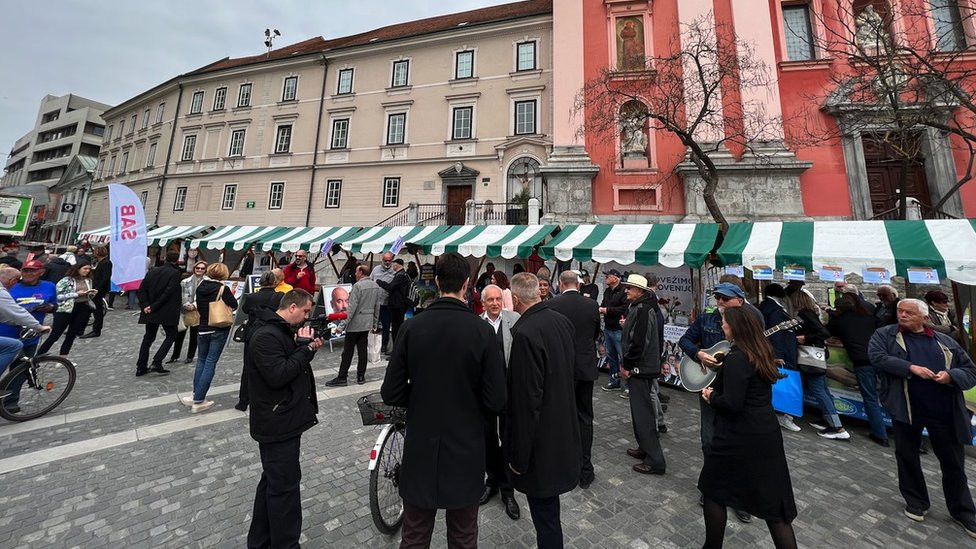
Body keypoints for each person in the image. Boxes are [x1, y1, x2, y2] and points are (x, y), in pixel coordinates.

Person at [381, 252, 506, 549]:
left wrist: (421, 396)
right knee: (463, 535)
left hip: (421, 444)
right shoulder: (482, 331)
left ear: (436, 282)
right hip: (465, 447)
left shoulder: (411, 328)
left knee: (414, 535)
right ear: (467, 284)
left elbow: (391, 392)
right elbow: (497, 399)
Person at [868, 298, 976, 539]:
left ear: (924, 318)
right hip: (906, 408)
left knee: (953, 463)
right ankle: (916, 501)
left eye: (909, 312)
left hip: (944, 411)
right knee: (907, 456)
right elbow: (877, 357)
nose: (902, 315)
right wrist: (910, 368)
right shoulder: (885, 335)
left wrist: (951, 375)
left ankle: (963, 511)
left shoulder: (945, 341)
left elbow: (970, 371)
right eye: (900, 311)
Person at [699, 307, 799, 549]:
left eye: (724, 322)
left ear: (735, 327)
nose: (722, 326)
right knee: (774, 507)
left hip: (738, 436)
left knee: (713, 490)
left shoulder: (737, 358)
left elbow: (733, 403)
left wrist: (711, 396)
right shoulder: (761, 351)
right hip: (766, 433)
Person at [506, 272, 579, 548]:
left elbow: (527, 403)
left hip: (541, 442)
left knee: (546, 517)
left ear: (514, 299)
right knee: (549, 512)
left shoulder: (526, 333)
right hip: (561, 428)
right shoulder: (560, 321)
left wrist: (518, 458)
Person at [246, 289, 324, 548]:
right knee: (285, 490)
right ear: (292, 307)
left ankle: (260, 541)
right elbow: (279, 374)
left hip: (282, 418)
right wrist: (305, 351)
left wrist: (304, 347)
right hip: (277, 422)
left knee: (272, 482)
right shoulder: (266, 335)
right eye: (304, 312)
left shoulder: (277, 330)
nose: (305, 318)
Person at [679, 281, 762, 524]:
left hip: (737, 392)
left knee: (738, 442)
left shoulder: (753, 317)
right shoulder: (708, 318)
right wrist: (699, 354)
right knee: (709, 439)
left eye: (725, 299)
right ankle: (712, 487)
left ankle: (739, 495)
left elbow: (760, 351)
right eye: (717, 299)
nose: (720, 304)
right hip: (710, 386)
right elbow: (686, 339)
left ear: (739, 299)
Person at [548, 270, 601, 489]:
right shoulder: (591, 306)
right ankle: (585, 468)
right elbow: (596, 333)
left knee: (561, 415)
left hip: (562, 368)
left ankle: (563, 462)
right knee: (585, 417)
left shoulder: (554, 304)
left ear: (561, 284)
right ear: (578, 285)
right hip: (585, 367)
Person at [613, 273, 666, 476]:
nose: (626, 291)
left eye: (630, 288)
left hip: (641, 368)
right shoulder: (641, 306)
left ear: (640, 291)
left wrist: (627, 365)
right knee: (640, 412)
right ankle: (645, 448)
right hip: (642, 367)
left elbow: (639, 342)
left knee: (643, 413)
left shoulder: (643, 308)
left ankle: (655, 460)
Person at [477, 284, 522, 520]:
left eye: (498, 299)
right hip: (484, 394)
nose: (495, 303)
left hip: (508, 392)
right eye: (490, 300)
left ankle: (508, 490)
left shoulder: (514, 319)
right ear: (483, 303)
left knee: (507, 439)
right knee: (487, 439)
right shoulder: (477, 324)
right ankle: (491, 480)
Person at [827, 288, 889, 446]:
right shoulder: (870, 319)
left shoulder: (838, 322)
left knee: (870, 398)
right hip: (882, 359)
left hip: (863, 362)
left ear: (838, 310)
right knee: (890, 396)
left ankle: (880, 434)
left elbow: (825, 333)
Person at [789, 288, 851, 440]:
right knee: (822, 389)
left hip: (810, 356)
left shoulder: (805, 314)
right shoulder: (810, 313)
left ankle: (837, 427)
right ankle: (828, 419)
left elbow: (823, 333)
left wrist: (805, 338)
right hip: (816, 355)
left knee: (819, 390)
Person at [183, 263, 238, 413]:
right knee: (210, 362)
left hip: (203, 327)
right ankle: (199, 400)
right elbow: (234, 304)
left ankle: (195, 394)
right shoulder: (222, 288)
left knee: (201, 361)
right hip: (218, 328)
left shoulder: (201, 286)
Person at [0, 266, 53, 413]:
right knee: (14, 346)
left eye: (33, 271)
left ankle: (10, 402)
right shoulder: (2, 291)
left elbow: (6, 314)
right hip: (8, 333)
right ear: (12, 280)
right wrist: (39, 327)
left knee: (20, 367)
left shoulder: (48, 286)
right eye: (25, 272)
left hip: (27, 334)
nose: (28, 274)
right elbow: (15, 311)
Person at [235, 271, 285, 411]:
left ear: (261, 282)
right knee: (271, 365)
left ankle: (243, 401)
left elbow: (245, 309)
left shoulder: (252, 297)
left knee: (248, 368)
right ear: (275, 282)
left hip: (253, 333)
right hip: (273, 333)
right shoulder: (280, 296)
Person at [326, 265, 382, 387]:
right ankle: (361, 376)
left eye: (356, 272)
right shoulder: (376, 286)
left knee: (348, 352)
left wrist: (341, 325)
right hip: (366, 323)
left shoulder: (357, 287)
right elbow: (377, 306)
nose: (355, 274)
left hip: (355, 324)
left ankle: (342, 377)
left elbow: (351, 309)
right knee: (362, 351)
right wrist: (375, 322)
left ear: (361, 272)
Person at [758, 283, 801, 432]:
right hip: (781, 352)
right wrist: (778, 355)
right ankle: (783, 414)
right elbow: (775, 334)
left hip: (776, 350)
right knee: (783, 383)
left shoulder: (765, 305)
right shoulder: (774, 309)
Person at [135, 250, 183, 377]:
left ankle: (141, 366)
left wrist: (145, 305)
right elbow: (168, 292)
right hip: (165, 310)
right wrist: (152, 306)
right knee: (171, 335)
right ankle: (157, 361)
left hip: (151, 309)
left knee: (148, 337)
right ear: (177, 259)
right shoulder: (175, 273)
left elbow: (142, 289)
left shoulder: (153, 271)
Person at [37, 261, 95, 357]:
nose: (87, 271)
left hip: (82, 308)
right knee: (55, 334)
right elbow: (58, 296)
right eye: (85, 269)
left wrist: (91, 294)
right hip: (65, 309)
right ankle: (38, 356)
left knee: (71, 335)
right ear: (78, 269)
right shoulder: (66, 280)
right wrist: (76, 294)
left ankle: (64, 357)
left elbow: (87, 294)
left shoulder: (88, 280)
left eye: (89, 269)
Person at [168, 260, 207, 365]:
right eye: (197, 268)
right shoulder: (185, 281)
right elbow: (181, 295)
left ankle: (190, 356)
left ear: (205, 270)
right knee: (180, 333)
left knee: (194, 335)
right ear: (194, 269)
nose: (199, 270)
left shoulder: (207, 282)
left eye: (202, 268)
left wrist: (194, 305)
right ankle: (175, 355)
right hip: (184, 310)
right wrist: (186, 304)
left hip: (198, 311)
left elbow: (205, 297)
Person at [599, 269, 628, 392]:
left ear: (615, 278)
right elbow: (604, 304)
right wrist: (602, 308)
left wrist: (607, 310)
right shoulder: (607, 291)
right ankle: (614, 381)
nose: (605, 278)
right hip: (608, 327)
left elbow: (624, 308)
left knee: (623, 357)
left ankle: (628, 386)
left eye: (608, 276)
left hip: (618, 329)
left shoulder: (623, 291)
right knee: (611, 356)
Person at [376, 258, 410, 349]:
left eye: (393, 264)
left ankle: (396, 350)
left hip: (397, 305)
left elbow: (391, 287)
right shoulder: (402, 274)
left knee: (396, 329)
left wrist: (380, 282)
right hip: (399, 305)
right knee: (396, 328)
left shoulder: (400, 276)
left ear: (397, 265)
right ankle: (396, 349)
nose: (392, 266)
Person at [80, 246, 111, 339]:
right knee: (89, 309)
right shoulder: (101, 262)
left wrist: (97, 288)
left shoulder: (106, 263)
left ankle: (96, 330)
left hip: (98, 290)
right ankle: (80, 328)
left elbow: (105, 278)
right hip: (96, 288)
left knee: (97, 310)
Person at [370, 252, 396, 354]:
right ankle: (372, 344)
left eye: (389, 260)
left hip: (386, 303)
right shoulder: (376, 269)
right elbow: (371, 280)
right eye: (385, 260)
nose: (387, 262)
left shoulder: (394, 271)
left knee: (386, 325)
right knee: (373, 324)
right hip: (375, 302)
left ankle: (384, 345)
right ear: (382, 260)